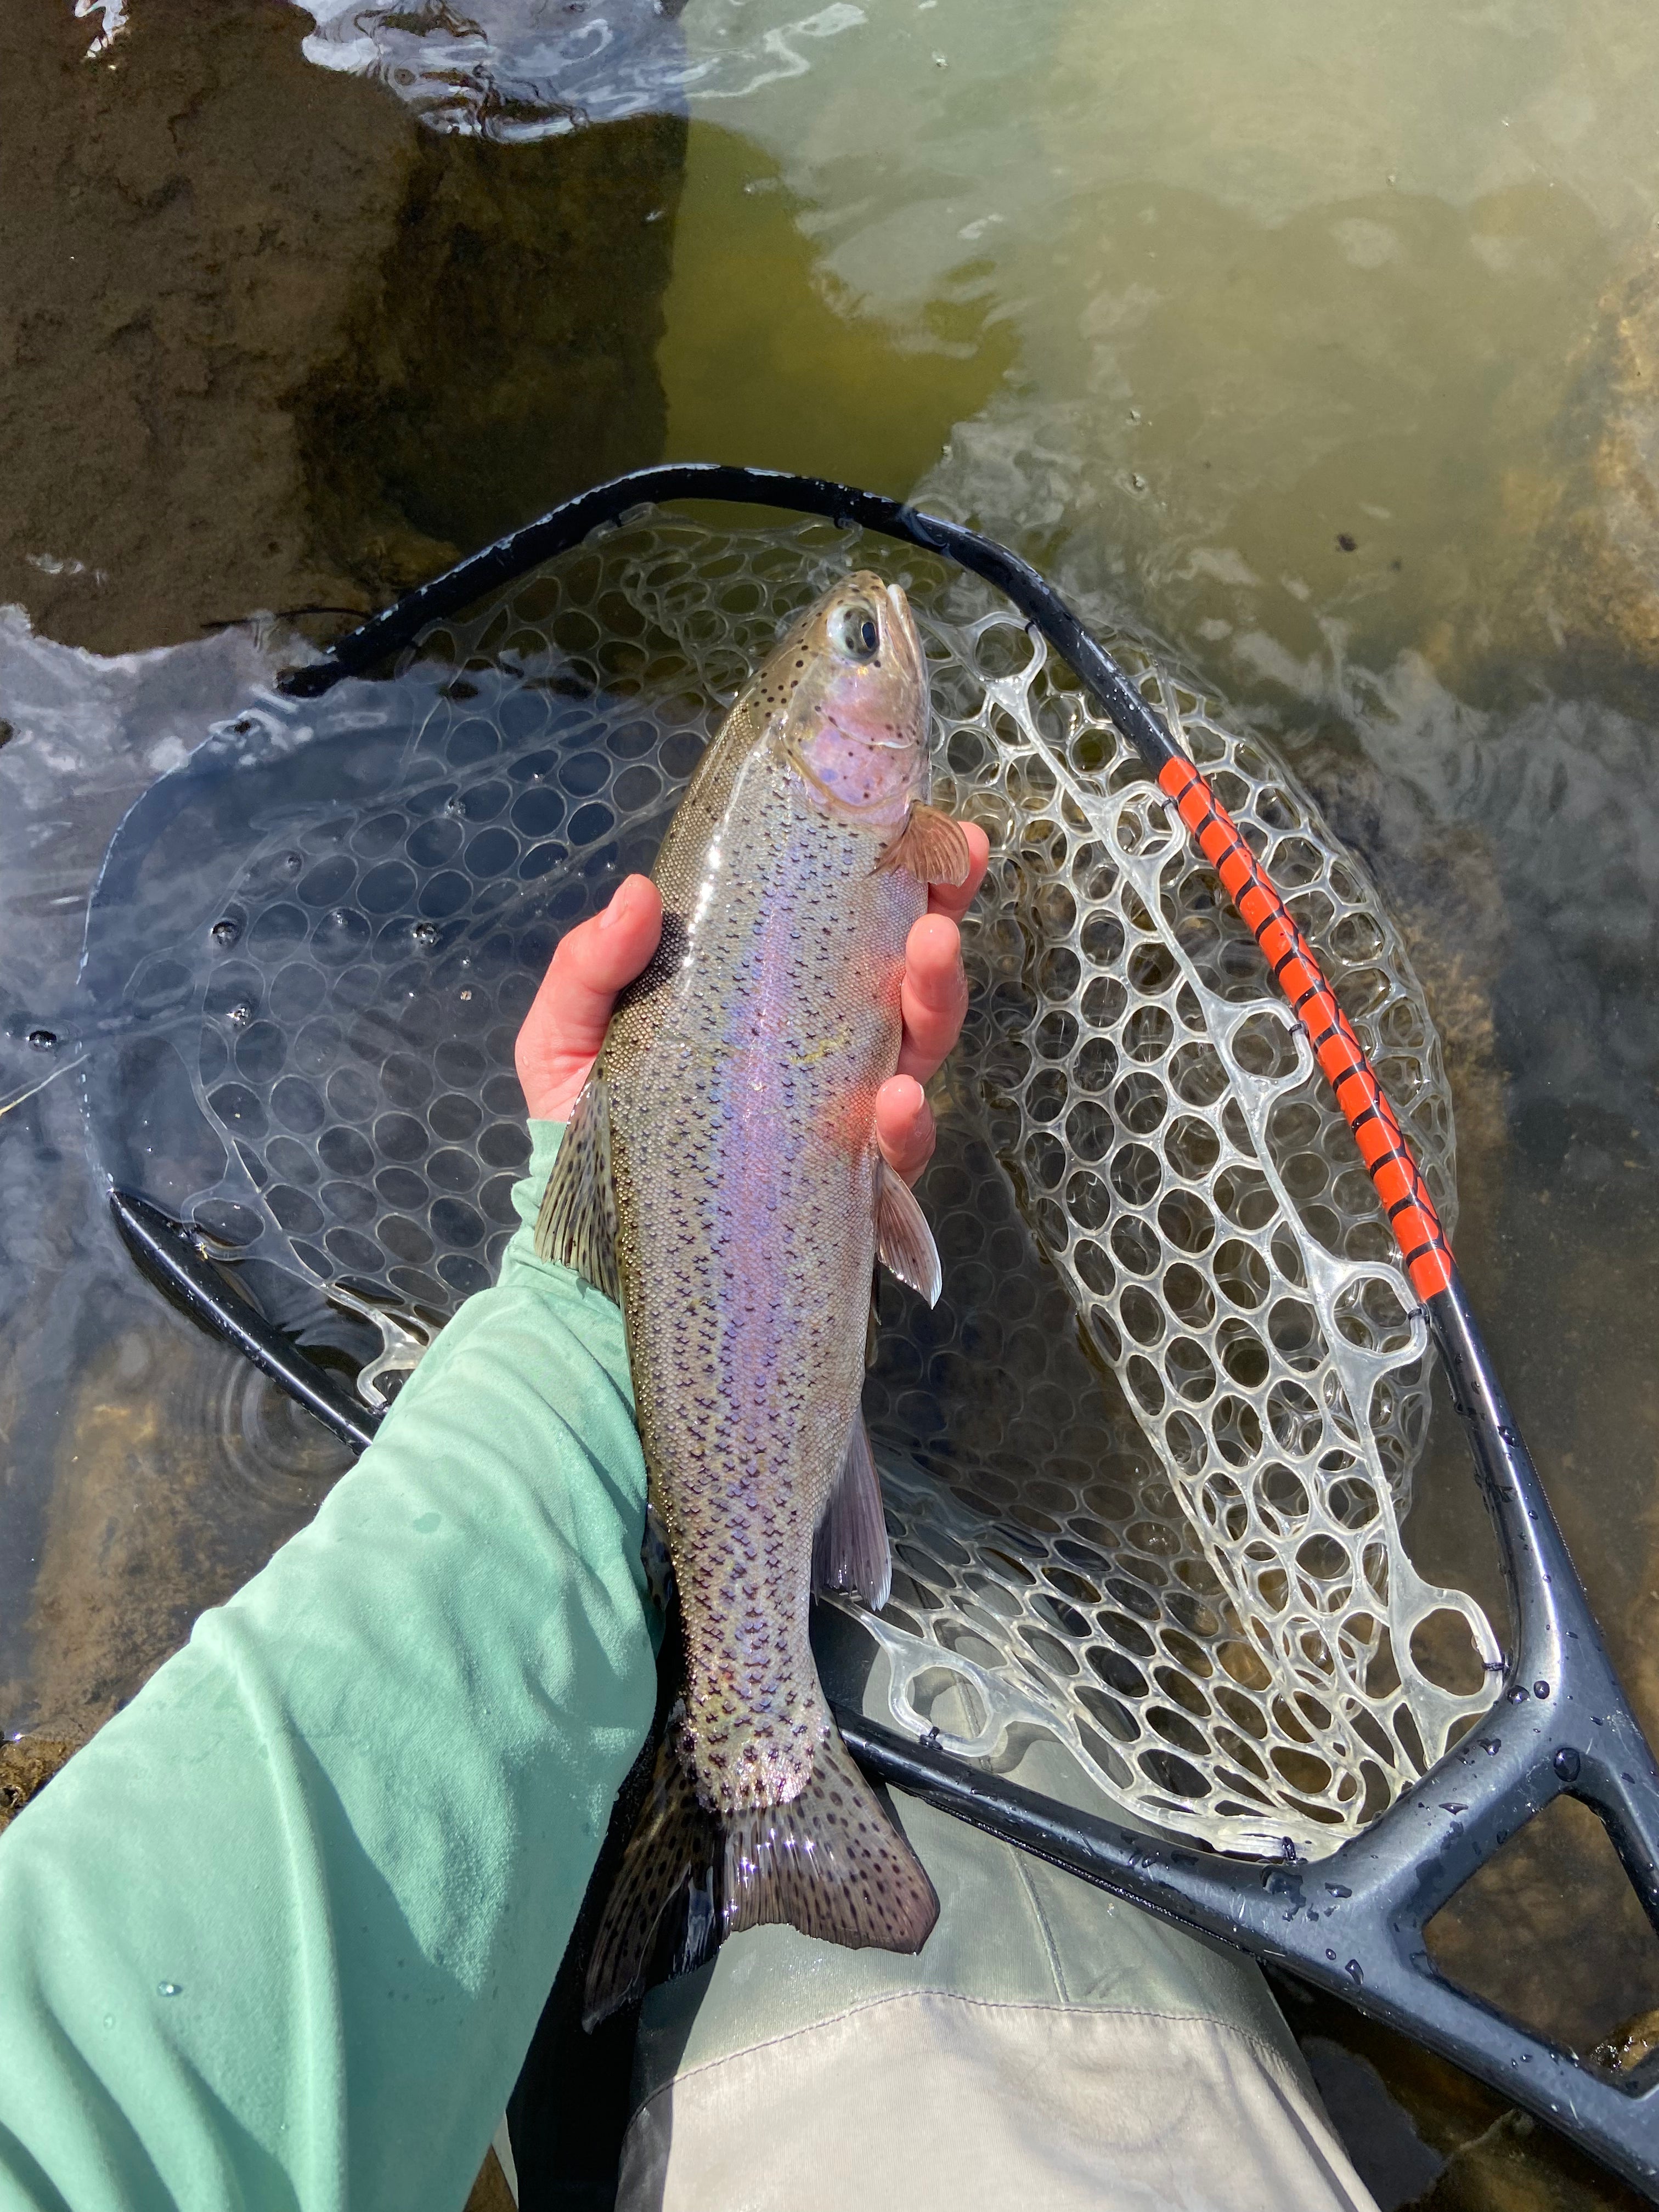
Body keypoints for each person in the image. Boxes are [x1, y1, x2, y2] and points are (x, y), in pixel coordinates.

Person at [0, 851, 1375, 2212]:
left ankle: (709, 1781)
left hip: (688, 2145)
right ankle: (762, 1753)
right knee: (971, 1695)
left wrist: (585, 1293)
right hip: (1066, 2127)